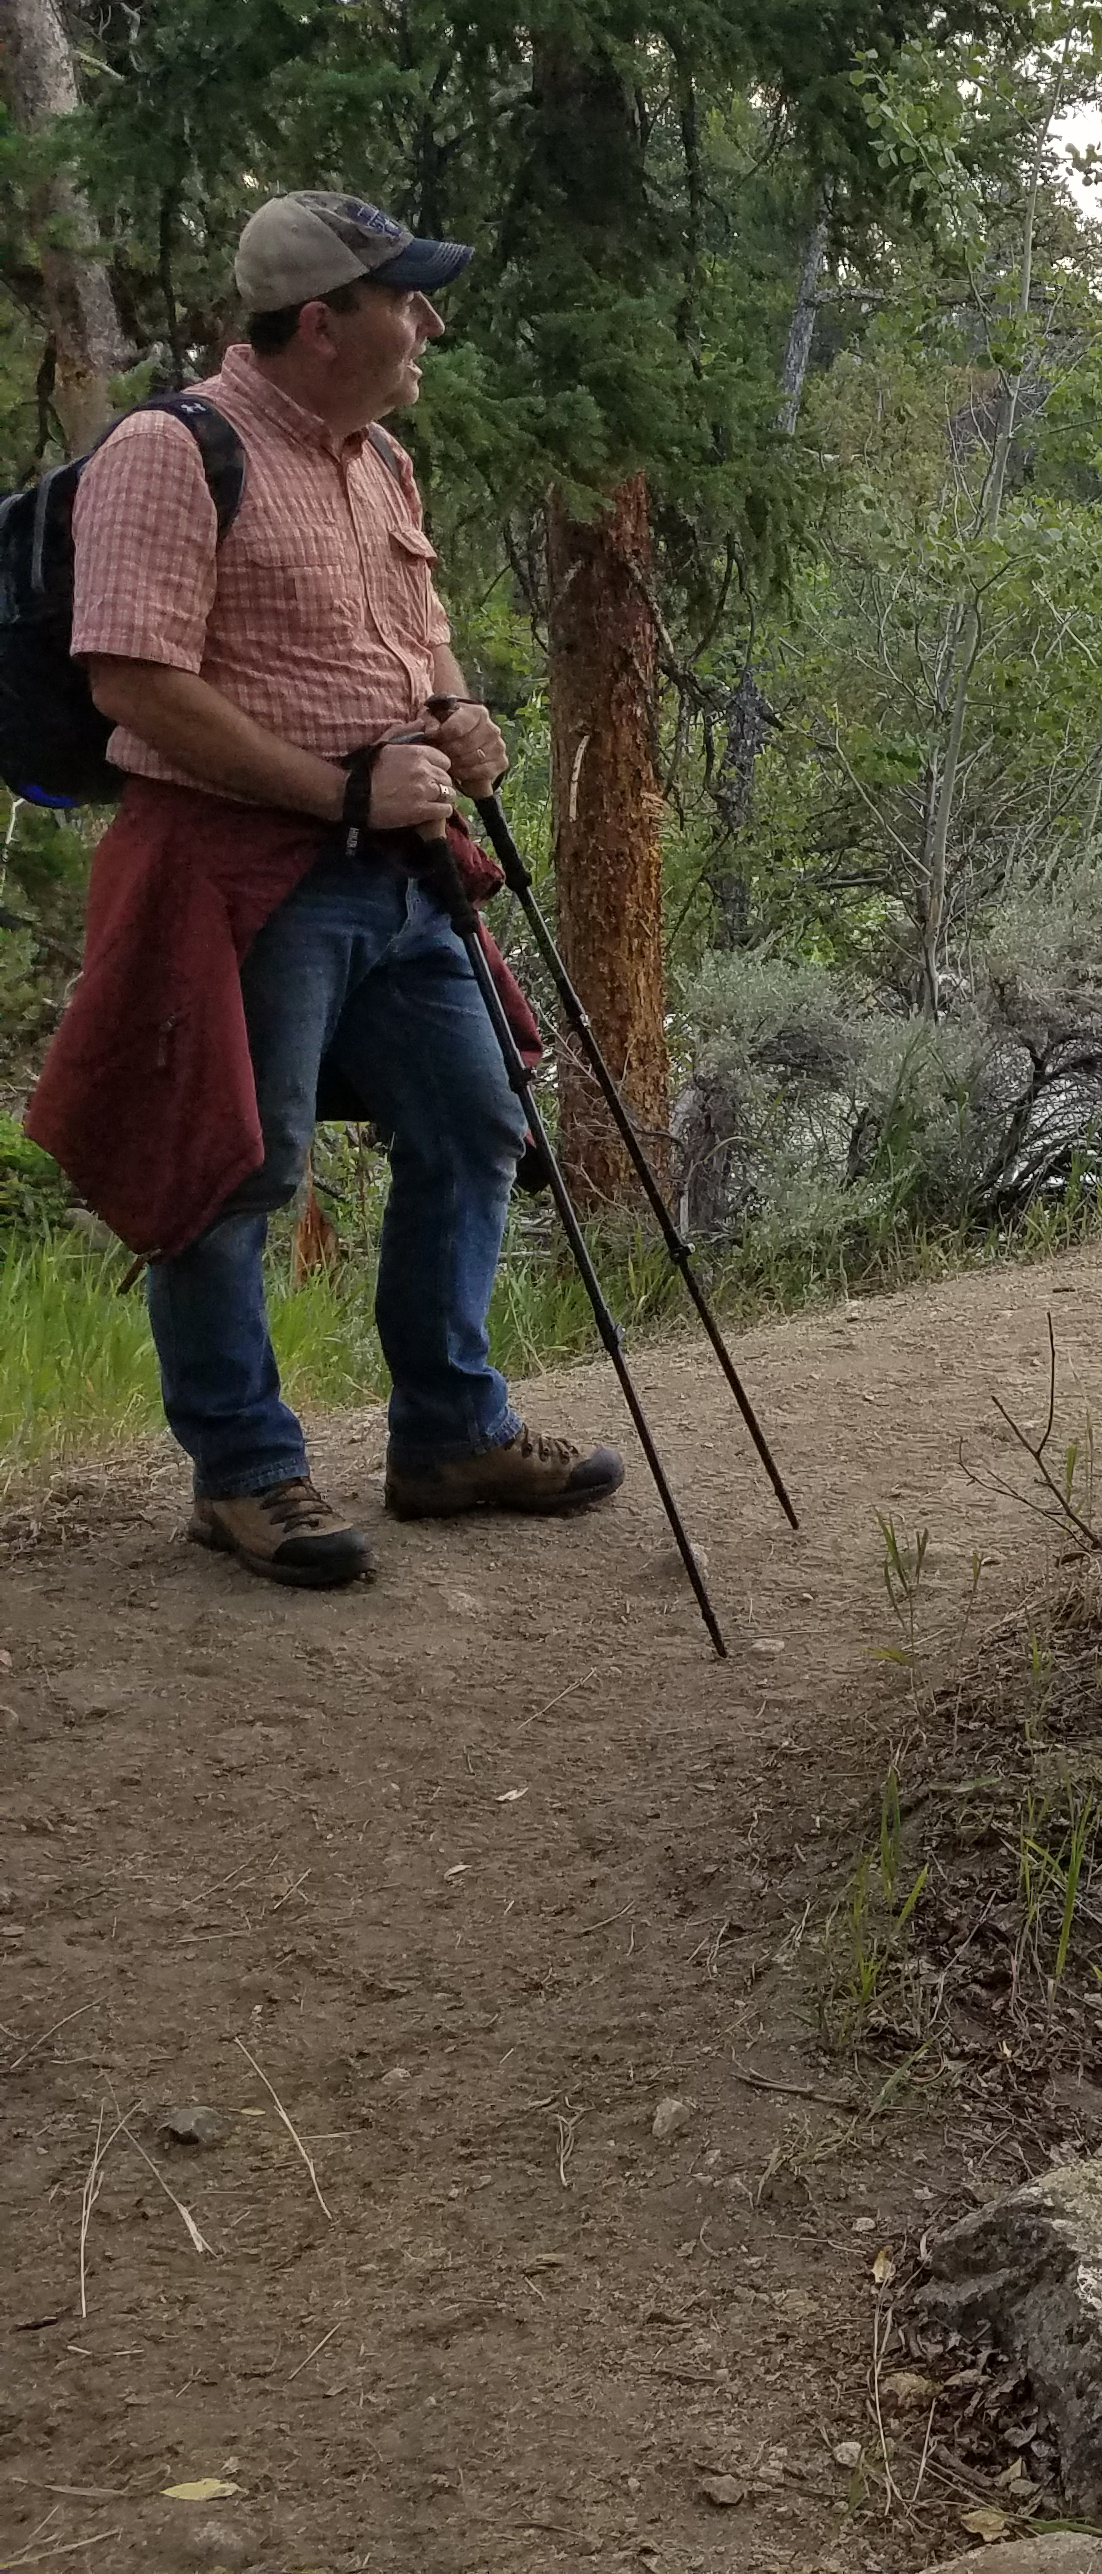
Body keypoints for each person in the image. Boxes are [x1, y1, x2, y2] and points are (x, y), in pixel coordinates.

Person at [25, 190, 617, 1590]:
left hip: (402, 874)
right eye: (402, 300)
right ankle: (243, 1474)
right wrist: (337, 787)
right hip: (236, 874)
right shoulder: (171, 453)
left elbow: (424, 641)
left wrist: (460, 720)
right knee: (240, 1163)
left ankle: (449, 1437)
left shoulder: (381, 463)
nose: (428, 323)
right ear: (316, 322)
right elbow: (133, 681)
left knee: (475, 1123)